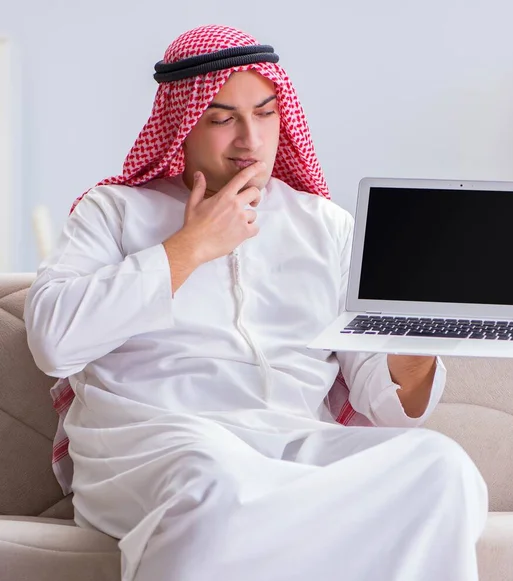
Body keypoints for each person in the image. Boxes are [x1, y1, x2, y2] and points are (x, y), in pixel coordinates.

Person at [24, 24, 488, 581]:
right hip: (156, 442)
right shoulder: (115, 212)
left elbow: (388, 405)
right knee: (212, 481)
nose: (250, 139)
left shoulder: (325, 226)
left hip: (292, 445)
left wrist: (416, 345)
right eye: (222, 119)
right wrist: (189, 247)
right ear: (182, 123)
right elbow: (53, 342)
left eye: (266, 114)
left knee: (441, 469)